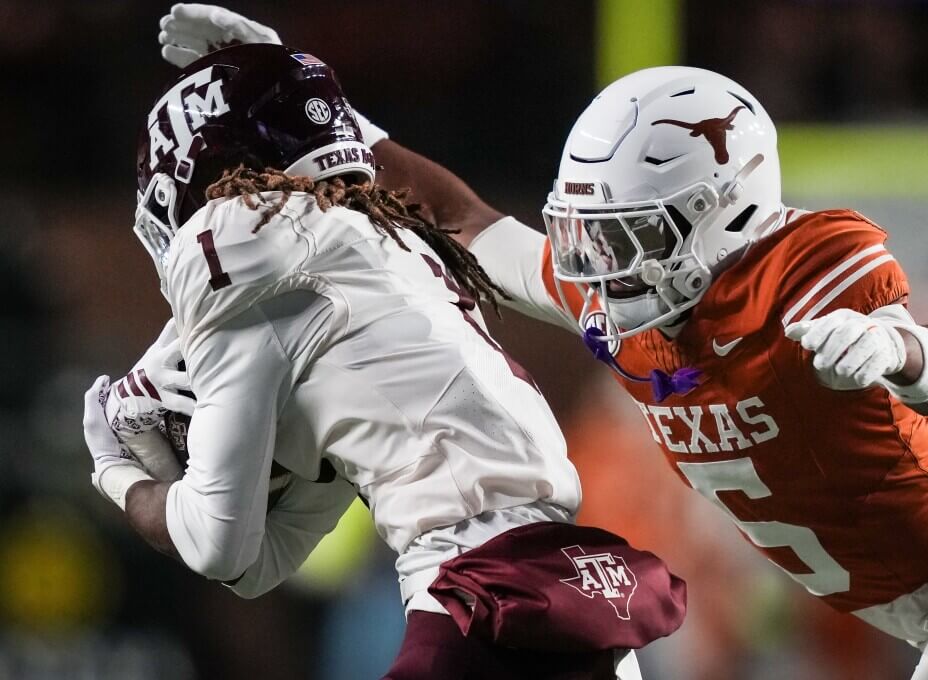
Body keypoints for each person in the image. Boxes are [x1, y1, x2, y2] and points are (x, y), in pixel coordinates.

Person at [153, 6, 928, 679]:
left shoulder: (798, 273)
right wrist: (305, 104)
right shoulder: (625, 310)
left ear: (726, 216)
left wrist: (898, 354)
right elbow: (460, 217)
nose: (600, 268)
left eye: (629, 237)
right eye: (590, 235)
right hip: (903, 601)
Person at [81, 42, 688, 680]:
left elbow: (215, 544)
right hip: (573, 592)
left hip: (478, 601)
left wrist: (115, 472)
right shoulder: (386, 258)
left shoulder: (232, 240)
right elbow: (258, 566)